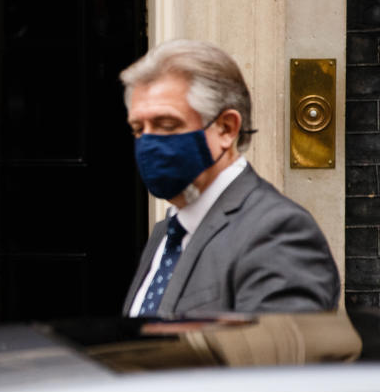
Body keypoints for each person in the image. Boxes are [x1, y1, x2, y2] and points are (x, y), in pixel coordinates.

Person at [120, 39, 340, 317]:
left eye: (167, 125)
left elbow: (279, 355)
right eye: (139, 129)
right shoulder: (169, 231)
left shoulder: (278, 231)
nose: (149, 142)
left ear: (226, 128)